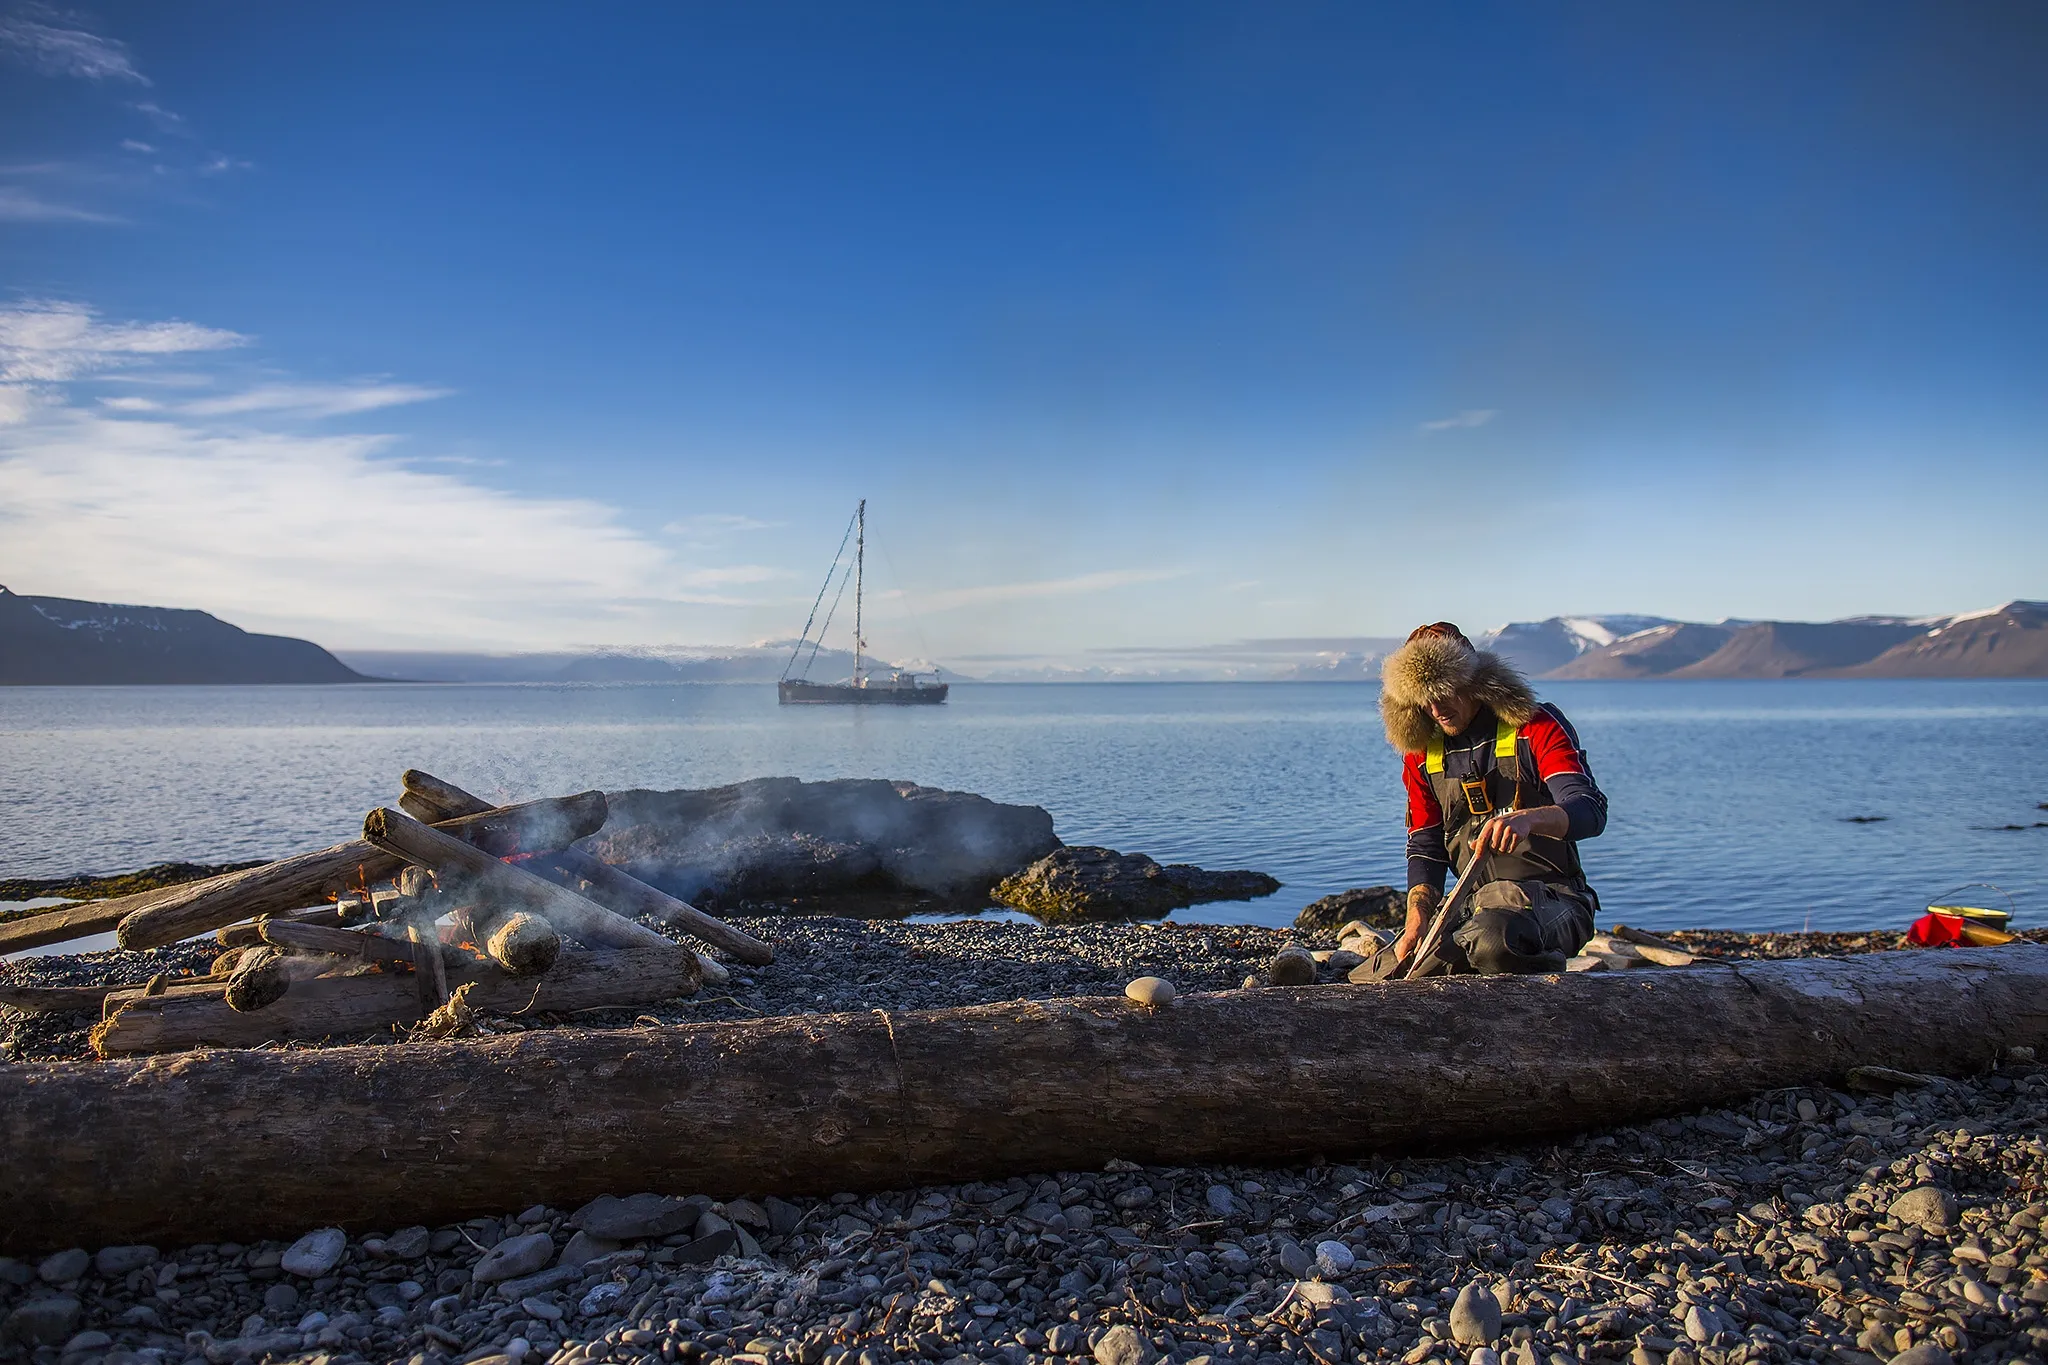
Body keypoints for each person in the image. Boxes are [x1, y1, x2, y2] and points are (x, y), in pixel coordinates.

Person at [1379, 622, 1607, 975]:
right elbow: (1425, 845)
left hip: (1556, 900)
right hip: (1475, 906)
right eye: (1423, 698)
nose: (1436, 707)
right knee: (1389, 971)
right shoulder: (1421, 755)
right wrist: (1417, 920)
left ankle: (1551, 977)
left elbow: (1589, 811)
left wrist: (1530, 819)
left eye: (1445, 690)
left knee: (1492, 941)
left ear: (1474, 682)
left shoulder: (1535, 725)